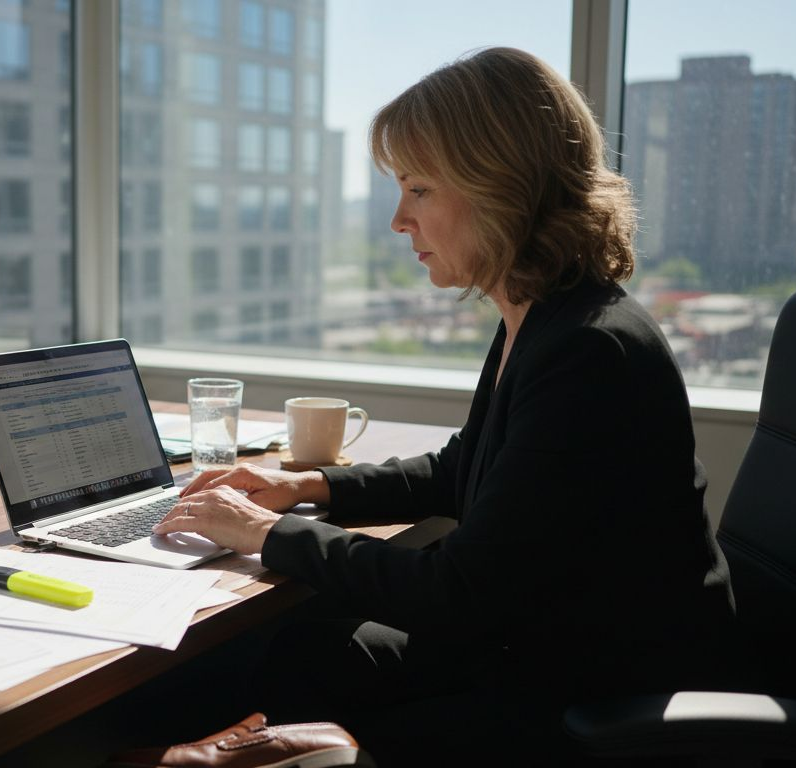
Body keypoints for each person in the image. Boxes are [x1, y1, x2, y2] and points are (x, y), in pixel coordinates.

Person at [152, 47, 737, 760]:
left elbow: (460, 592)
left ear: (501, 187)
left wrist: (266, 533)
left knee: (325, 699)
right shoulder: (540, 314)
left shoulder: (590, 351)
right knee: (310, 653)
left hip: (593, 696)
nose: (399, 219)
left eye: (419, 189)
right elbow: (468, 468)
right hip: (540, 644)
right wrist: (307, 486)